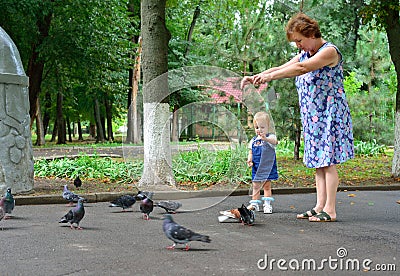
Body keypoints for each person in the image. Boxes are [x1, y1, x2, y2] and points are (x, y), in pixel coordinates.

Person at [241, 12, 354, 222]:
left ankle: (330, 210)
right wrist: (258, 76)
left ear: (310, 34)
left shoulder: (329, 51)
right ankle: (320, 205)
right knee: (319, 163)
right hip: (313, 118)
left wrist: (269, 77)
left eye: (299, 40)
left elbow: (302, 69)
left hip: (329, 114)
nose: (298, 46)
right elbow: (284, 67)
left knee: (328, 162)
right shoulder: (305, 54)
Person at [247, 111, 278, 214]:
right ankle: (255, 203)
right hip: (257, 167)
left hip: (267, 167)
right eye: (257, 128)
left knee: (266, 185)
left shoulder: (270, 137)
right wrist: (249, 159)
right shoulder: (253, 140)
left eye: (262, 127)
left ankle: (267, 205)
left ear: (268, 127)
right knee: (255, 185)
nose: (259, 130)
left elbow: (275, 142)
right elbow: (251, 151)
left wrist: (266, 139)